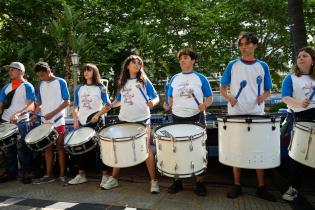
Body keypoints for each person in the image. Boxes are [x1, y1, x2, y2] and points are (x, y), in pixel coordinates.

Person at [220, 32, 276, 201]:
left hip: (257, 112)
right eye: (241, 44)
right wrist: (229, 97)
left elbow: (268, 90)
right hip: (236, 112)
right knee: (237, 148)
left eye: (247, 44)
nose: (244, 47)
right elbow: (223, 87)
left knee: (258, 148)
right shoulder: (233, 65)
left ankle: (261, 187)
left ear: (255, 45)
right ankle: (237, 185)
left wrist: (262, 98)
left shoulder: (263, 66)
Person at [101, 55, 160, 193]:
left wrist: (153, 102)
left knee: (146, 149)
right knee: (120, 149)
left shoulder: (144, 81)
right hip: (125, 119)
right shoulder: (123, 82)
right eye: (134, 63)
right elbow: (118, 100)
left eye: (139, 63)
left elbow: (156, 97)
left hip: (142, 119)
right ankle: (114, 179)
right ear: (127, 65)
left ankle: (154, 181)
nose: (137, 65)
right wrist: (110, 106)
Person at [165, 48, 213, 196]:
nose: (182, 60)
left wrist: (204, 105)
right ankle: (177, 181)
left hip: (196, 117)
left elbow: (209, 98)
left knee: (199, 150)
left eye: (185, 58)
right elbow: (169, 98)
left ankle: (200, 183)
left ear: (193, 60)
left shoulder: (200, 78)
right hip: (177, 117)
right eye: (180, 58)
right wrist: (168, 105)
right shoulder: (174, 78)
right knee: (177, 149)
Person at [67, 63, 112, 187]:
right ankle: (81, 175)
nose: (86, 72)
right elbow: (75, 106)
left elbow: (108, 105)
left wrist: (98, 114)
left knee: (100, 149)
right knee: (81, 149)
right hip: (82, 122)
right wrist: (75, 119)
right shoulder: (79, 88)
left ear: (94, 72)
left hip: (96, 121)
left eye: (89, 70)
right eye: (84, 71)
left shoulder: (101, 87)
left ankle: (105, 175)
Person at [281, 46, 315, 201]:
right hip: (300, 118)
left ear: (313, 60)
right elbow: (286, 98)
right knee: (297, 157)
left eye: (305, 56)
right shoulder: (291, 78)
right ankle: (293, 188)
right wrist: (300, 103)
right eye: (299, 56)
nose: (300, 58)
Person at [31, 61, 70, 184]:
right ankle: (49, 175)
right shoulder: (42, 84)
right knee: (46, 149)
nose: (41, 78)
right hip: (45, 121)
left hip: (58, 120)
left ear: (49, 71)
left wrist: (53, 113)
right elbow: (39, 103)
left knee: (60, 147)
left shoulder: (60, 82)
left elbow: (66, 102)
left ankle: (62, 175)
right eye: (39, 76)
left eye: (42, 75)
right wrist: (35, 114)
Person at [0, 62, 35, 184]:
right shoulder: (5, 87)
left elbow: (31, 106)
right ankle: (11, 172)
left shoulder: (27, 86)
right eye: (9, 70)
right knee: (8, 149)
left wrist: (18, 114)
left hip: (21, 121)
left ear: (21, 71)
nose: (9, 72)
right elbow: (1, 105)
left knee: (22, 148)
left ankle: (26, 172)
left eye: (12, 70)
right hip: (5, 121)